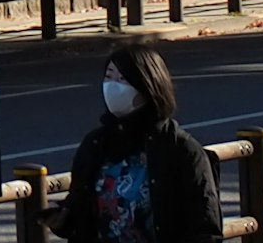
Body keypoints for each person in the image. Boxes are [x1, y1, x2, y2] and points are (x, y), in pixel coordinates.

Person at [56, 43, 217, 243]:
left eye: (122, 79)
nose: (112, 86)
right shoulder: (96, 143)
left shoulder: (181, 149)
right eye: (108, 77)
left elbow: (205, 226)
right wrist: (61, 216)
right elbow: (80, 212)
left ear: (148, 86)